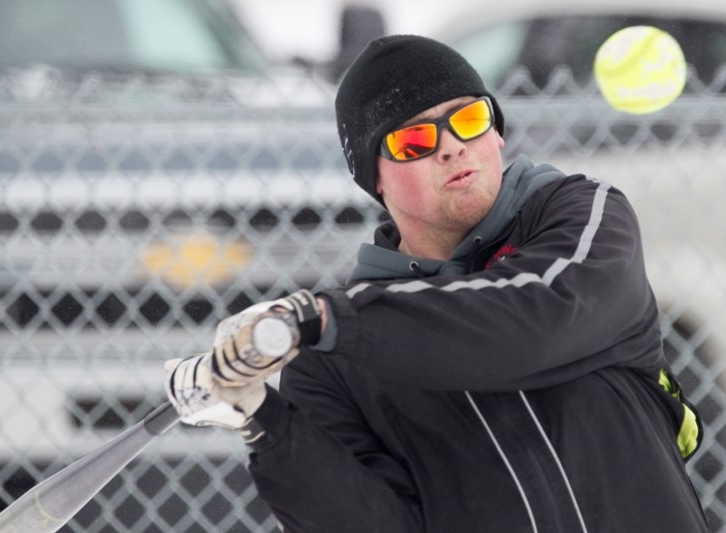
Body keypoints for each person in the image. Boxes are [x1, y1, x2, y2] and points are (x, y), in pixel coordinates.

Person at [165, 35, 710, 532]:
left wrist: (326, 320)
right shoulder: (334, 359)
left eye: (468, 119)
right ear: (374, 179)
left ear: (495, 132)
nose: (451, 146)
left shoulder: (581, 215)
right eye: (414, 140)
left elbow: (531, 323)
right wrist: (265, 422)